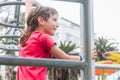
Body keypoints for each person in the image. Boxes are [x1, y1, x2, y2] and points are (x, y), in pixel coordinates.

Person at [16, 0, 97, 80]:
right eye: (54, 20)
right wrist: (84, 57)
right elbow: (65, 58)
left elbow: (27, 23)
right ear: (41, 20)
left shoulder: (27, 36)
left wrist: (28, 5)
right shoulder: (44, 38)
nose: (57, 25)